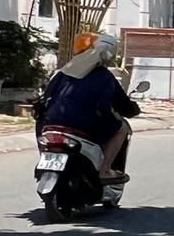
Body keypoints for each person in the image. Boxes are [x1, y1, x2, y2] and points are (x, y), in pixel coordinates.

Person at [37, 34, 142, 181]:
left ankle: (44, 160)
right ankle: (104, 170)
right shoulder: (105, 77)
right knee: (122, 128)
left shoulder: (60, 73)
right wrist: (133, 109)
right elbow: (121, 105)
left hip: (50, 121)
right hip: (85, 123)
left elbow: (44, 99)